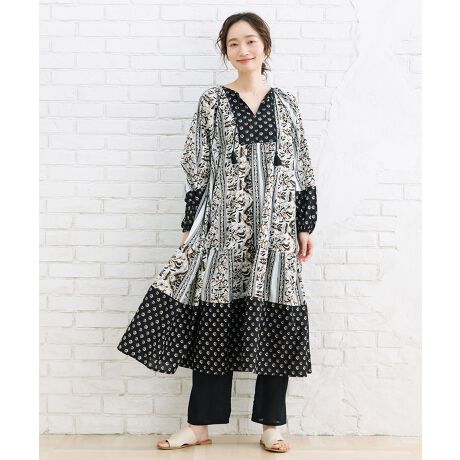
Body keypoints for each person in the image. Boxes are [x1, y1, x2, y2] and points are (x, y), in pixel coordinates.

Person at [117, 11, 317, 454]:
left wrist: (306, 224)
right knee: (214, 325)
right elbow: (197, 166)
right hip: (223, 233)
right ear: (225, 52)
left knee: (276, 324)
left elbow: (302, 166)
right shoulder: (212, 102)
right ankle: (199, 425)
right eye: (233, 44)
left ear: (265, 45)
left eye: (250, 41)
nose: (243, 50)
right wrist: (190, 224)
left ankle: (272, 425)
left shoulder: (287, 103)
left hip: (276, 234)